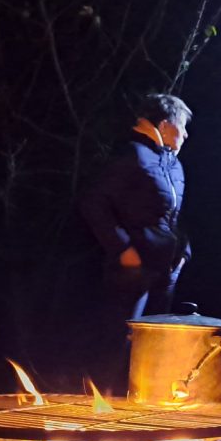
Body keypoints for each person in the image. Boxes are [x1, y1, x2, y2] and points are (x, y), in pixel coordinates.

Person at [80, 93, 193, 394]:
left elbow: (174, 215)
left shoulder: (172, 163)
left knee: (153, 345)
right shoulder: (131, 154)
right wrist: (122, 249)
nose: (185, 135)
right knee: (117, 342)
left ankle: (143, 405)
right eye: (182, 127)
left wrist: (183, 252)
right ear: (166, 125)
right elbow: (93, 203)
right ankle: (99, 406)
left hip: (165, 270)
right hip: (133, 269)